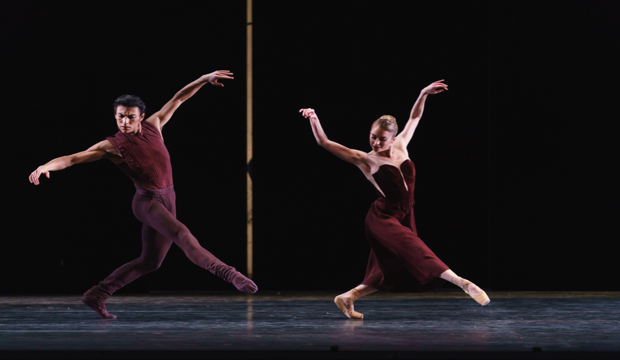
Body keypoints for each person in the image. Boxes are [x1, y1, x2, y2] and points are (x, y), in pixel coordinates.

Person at [29, 70, 257, 319]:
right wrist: (45, 167)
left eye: (129, 117)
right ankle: (229, 274)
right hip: (147, 202)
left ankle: (97, 294)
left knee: (151, 262)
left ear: (141, 117)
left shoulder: (154, 126)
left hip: (169, 199)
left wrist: (204, 79)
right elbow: (73, 157)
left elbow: (179, 98)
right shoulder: (112, 146)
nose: (124, 122)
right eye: (120, 117)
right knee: (182, 234)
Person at [299, 80, 489, 319]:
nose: (376, 143)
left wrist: (423, 93)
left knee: (392, 268)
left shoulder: (401, 145)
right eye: (373, 137)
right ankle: (462, 282)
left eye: (381, 139)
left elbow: (414, 119)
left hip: (405, 214)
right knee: (414, 248)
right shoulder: (365, 159)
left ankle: (348, 297)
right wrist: (314, 118)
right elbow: (324, 143)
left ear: (393, 137)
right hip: (382, 217)